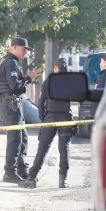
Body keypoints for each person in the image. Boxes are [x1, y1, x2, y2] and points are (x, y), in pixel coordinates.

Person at [18, 58, 76, 189]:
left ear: (55, 68)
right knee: (64, 148)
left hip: (50, 117)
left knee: (43, 148)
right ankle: (63, 180)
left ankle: (32, 178)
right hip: (65, 117)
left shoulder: (48, 81)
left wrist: (43, 118)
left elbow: (41, 102)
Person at [0, 37, 40, 183]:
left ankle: (21, 170)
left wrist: (27, 78)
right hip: (10, 104)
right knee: (15, 138)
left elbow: (17, 86)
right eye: (23, 49)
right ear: (13, 47)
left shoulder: (11, 62)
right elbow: (15, 86)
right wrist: (27, 78)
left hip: (13, 104)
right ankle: (10, 172)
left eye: (26, 49)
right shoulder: (10, 63)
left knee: (22, 137)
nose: (25, 52)